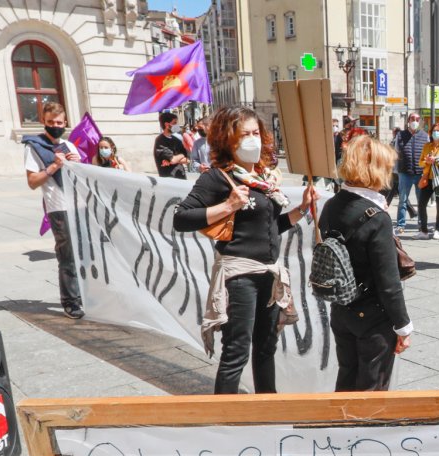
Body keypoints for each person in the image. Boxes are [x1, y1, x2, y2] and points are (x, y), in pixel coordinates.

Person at [173, 106, 318, 395]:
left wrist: (302, 209)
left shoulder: (262, 178)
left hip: (268, 273)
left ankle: (267, 410)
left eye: (256, 133)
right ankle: (224, 420)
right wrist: (228, 206)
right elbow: (181, 218)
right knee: (237, 351)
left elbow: (270, 227)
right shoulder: (218, 178)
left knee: (266, 348)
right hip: (239, 276)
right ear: (228, 139)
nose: (253, 140)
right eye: (245, 135)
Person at [318, 136, 413, 391]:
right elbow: (388, 281)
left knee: (347, 378)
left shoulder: (331, 205)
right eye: (387, 167)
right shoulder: (376, 217)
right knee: (372, 389)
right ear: (375, 169)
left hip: (342, 309)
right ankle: (365, 431)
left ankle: (339, 430)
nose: (390, 173)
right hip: (373, 316)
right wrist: (403, 326)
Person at [23, 101, 83, 319]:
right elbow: (32, 181)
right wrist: (53, 166)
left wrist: (79, 163)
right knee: (67, 256)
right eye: (51, 122)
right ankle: (70, 302)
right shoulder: (34, 147)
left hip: (77, 207)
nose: (55, 126)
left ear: (65, 122)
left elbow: (81, 177)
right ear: (44, 122)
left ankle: (81, 294)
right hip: (58, 207)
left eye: (59, 122)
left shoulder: (70, 146)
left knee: (82, 254)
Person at [389, 112, 429, 234]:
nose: (415, 121)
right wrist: (395, 171)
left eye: (417, 119)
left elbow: (427, 153)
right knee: (403, 200)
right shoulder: (400, 135)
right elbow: (395, 153)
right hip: (404, 172)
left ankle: (421, 224)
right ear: (408, 120)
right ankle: (401, 225)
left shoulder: (424, 136)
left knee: (421, 201)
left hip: (419, 173)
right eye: (413, 118)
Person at [415, 121, 439, 240]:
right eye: (434, 131)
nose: (435, 133)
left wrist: (437, 160)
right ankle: (424, 231)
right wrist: (427, 162)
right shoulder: (427, 146)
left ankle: (437, 230)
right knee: (421, 204)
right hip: (427, 178)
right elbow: (420, 162)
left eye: (438, 131)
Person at [154, 111, 188, 179]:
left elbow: (188, 160)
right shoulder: (160, 141)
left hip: (181, 177)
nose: (177, 126)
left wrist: (175, 159)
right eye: (174, 123)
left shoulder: (177, 140)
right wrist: (181, 155)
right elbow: (173, 160)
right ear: (167, 124)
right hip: (169, 179)